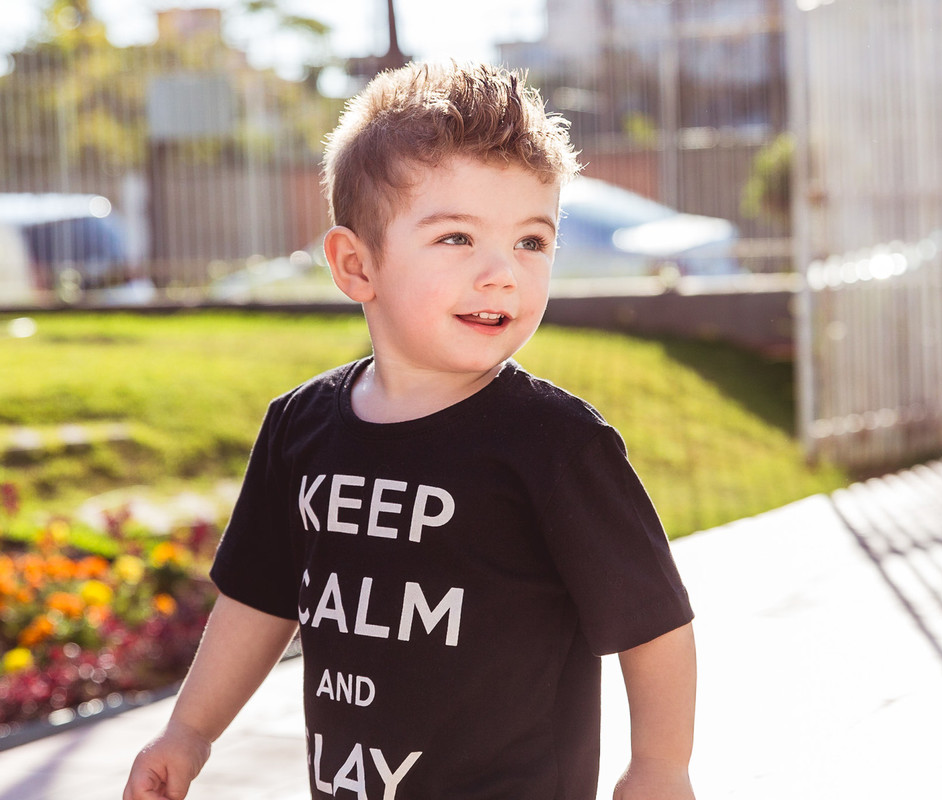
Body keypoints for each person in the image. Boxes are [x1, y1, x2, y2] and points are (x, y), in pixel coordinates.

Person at [123, 61, 696, 800]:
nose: (502, 273)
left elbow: (655, 624)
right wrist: (188, 733)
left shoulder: (556, 444)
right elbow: (259, 598)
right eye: (457, 238)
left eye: (531, 241)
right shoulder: (300, 429)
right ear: (356, 265)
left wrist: (657, 768)